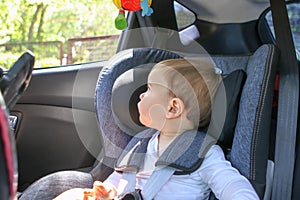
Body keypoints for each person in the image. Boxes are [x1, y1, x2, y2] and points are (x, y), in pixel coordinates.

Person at [53, 58, 259, 200]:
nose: (141, 95)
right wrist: (107, 190)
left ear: (172, 108)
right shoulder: (142, 143)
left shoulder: (203, 153)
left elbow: (232, 185)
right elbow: (120, 180)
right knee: (73, 195)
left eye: (149, 89)